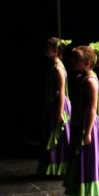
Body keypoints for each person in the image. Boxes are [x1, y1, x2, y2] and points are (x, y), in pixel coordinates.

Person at [64, 42, 99, 196]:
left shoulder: (91, 81)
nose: (72, 62)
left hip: (89, 125)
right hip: (80, 123)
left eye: (76, 60)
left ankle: (93, 195)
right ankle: (84, 193)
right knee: (81, 160)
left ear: (87, 63)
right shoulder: (81, 78)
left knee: (89, 160)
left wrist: (88, 131)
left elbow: (93, 109)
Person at [39, 37, 72, 176]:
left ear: (56, 50)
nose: (45, 50)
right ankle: (55, 167)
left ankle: (61, 167)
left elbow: (62, 91)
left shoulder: (58, 68)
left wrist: (59, 112)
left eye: (48, 47)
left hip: (59, 105)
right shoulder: (54, 66)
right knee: (53, 135)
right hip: (54, 104)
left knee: (58, 136)